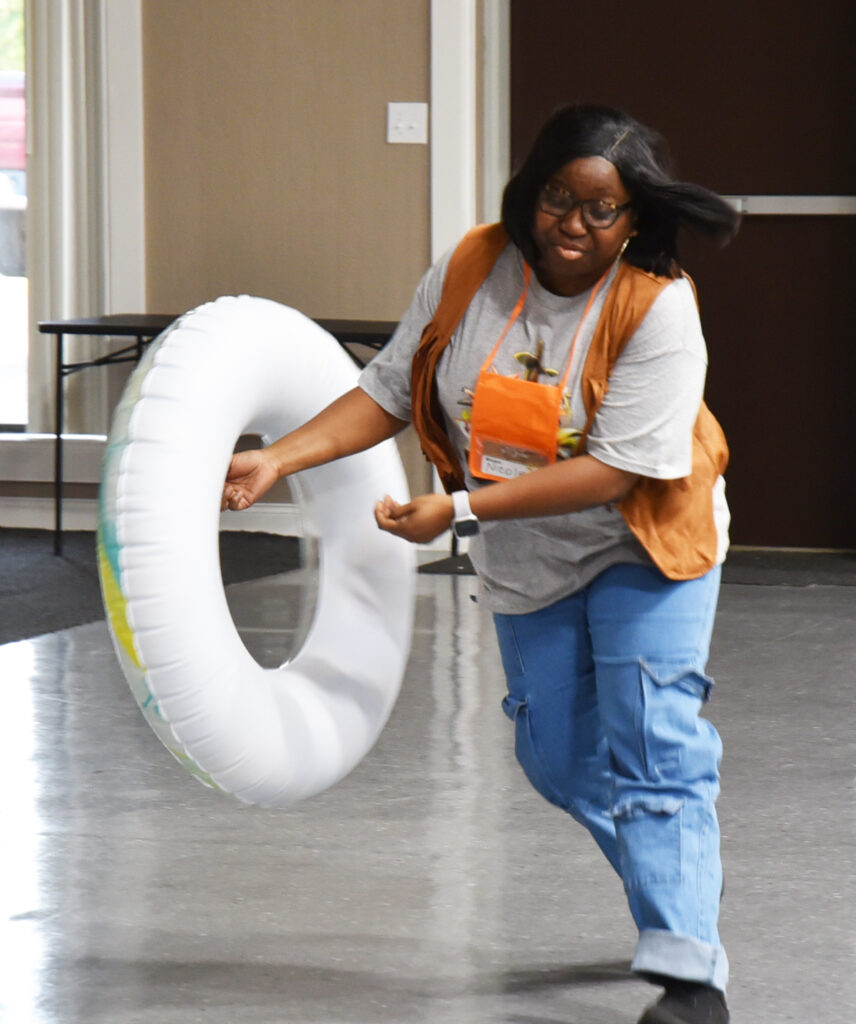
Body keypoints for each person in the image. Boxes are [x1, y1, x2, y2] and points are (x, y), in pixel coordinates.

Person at [222, 103, 740, 1024]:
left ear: (633, 219)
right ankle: (679, 880)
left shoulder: (657, 304)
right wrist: (278, 459)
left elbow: (616, 470)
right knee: (558, 760)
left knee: (653, 739)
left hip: (645, 540)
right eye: (557, 199)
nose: (574, 225)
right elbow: (389, 387)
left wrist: (456, 511)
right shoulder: (473, 265)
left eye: (602, 210)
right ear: (527, 190)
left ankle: (689, 971)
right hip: (527, 551)